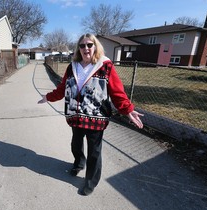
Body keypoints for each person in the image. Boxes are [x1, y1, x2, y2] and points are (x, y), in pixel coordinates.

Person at [38, 33, 143, 196]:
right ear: (78, 49)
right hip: (75, 114)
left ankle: (90, 181)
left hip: (96, 117)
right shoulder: (72, 66)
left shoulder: (105, 66)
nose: (86, 48)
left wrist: (127, 109)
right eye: (82, 45)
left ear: (95, 47)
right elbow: (62, 88)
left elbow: (117, 92)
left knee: (94, 151)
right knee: (75, 143)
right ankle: (79, 163)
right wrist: (48, 97)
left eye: (89, 45)